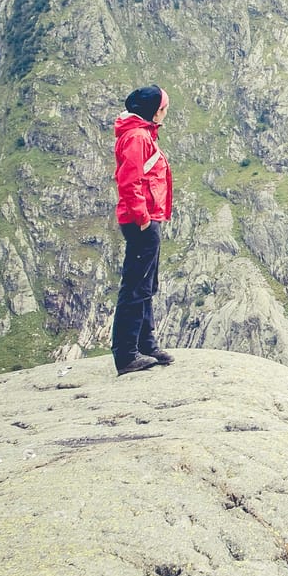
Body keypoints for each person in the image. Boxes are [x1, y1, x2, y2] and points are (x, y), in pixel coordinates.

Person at [111, 85, 175, 373]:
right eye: (163, 108)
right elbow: (129, 181)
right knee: (136, 286)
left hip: (149, 218)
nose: (165, 113)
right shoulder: (138, 137)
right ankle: (126, 354)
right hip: (142, 221)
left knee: (146, 284)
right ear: (153, 110)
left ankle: (146, 345)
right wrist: (143, 218)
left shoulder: (143, 134)